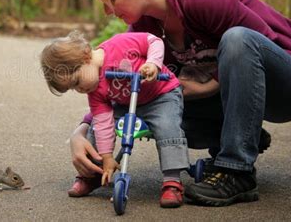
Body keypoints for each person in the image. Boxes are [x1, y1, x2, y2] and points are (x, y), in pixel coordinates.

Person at [69, 0, 291, 207]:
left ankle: (237, 172)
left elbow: (259, 44)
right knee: (161, 108)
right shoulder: (144, 27)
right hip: (235, 98)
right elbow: (119, 85)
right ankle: (238, 136)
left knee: (237, 39)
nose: (108, 11)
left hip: (288, 88)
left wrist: (210, 87)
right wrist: (82, 130)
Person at [41, 31, 188, 208]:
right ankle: (93, 174)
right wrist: (107, 156)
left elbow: (153, 41)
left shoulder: (120, 44)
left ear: (86, 57)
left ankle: (172, 182)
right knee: (95, 127)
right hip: (127, 102)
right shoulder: (94, 90)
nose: (78, 89)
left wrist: (153, 63)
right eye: (72, 88)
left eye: (77, 81)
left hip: (161, 95)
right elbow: (103, 122)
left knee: (167, 125)